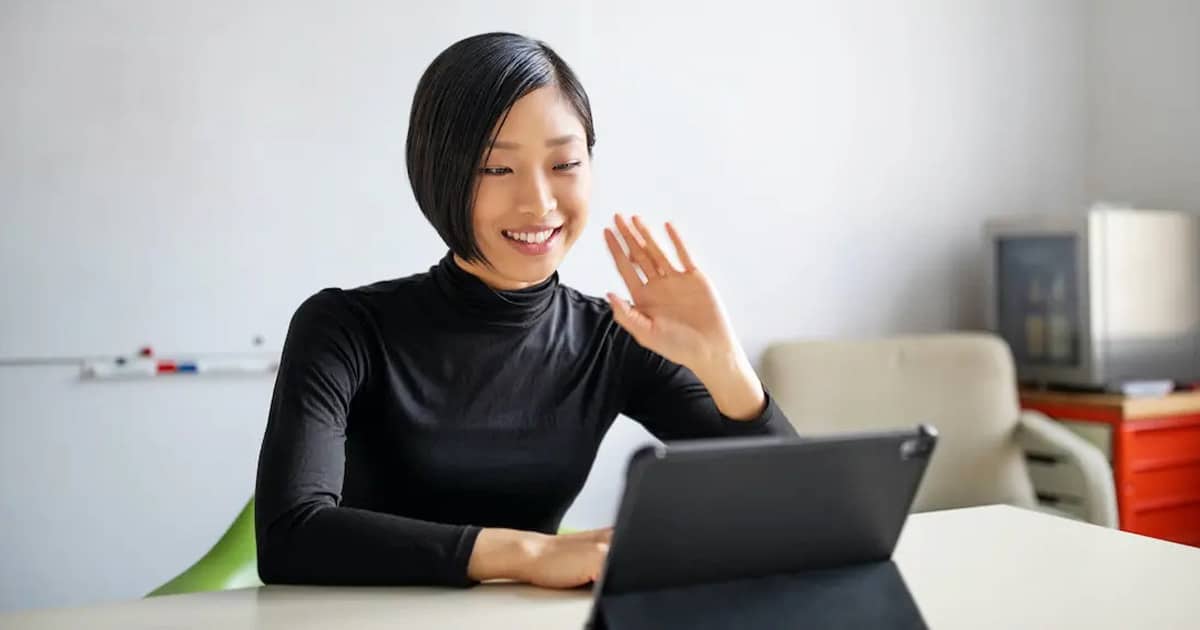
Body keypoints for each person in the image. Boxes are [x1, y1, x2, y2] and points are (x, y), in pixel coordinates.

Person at [254, 31, 795, 591]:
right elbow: (290, 535)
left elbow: (793, 507)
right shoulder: (343, 329)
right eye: (496, 169)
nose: (539, 201)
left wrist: (726, 368)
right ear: (437, 172)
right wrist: (529, 553)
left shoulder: (612, 339)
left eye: (564, 163)